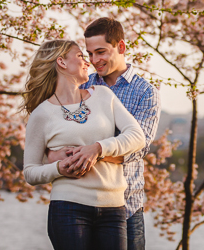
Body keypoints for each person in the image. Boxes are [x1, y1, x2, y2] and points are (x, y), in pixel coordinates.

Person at [21, 39, 146, 250]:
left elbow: (137, 136)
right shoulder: (42, 114)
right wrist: (58, 168)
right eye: (80, 56)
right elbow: (30, 172)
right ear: (61, 62)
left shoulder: (104, 96)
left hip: (113, 209)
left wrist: (97, 148)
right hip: (69, 209)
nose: (88, 62)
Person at [74, 17, 161, 250]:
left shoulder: (146, 93)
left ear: (121, 47)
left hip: (126, 206)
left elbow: (138, 150)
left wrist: (94, 151)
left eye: (100, 52)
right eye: (90, 54)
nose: (94, 60)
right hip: (83, 202)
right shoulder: (82, 88)